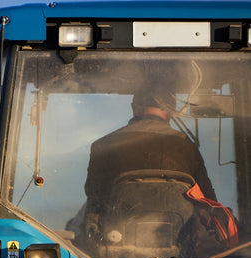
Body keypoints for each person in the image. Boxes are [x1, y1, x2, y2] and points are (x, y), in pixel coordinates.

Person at [82, 89, 219, 248]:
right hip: (183, 247)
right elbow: (209, 201)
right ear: (170, 111)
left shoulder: (103, 146)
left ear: (134, 108)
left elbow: (94, 196)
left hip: (116, 245)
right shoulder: (187, 147)